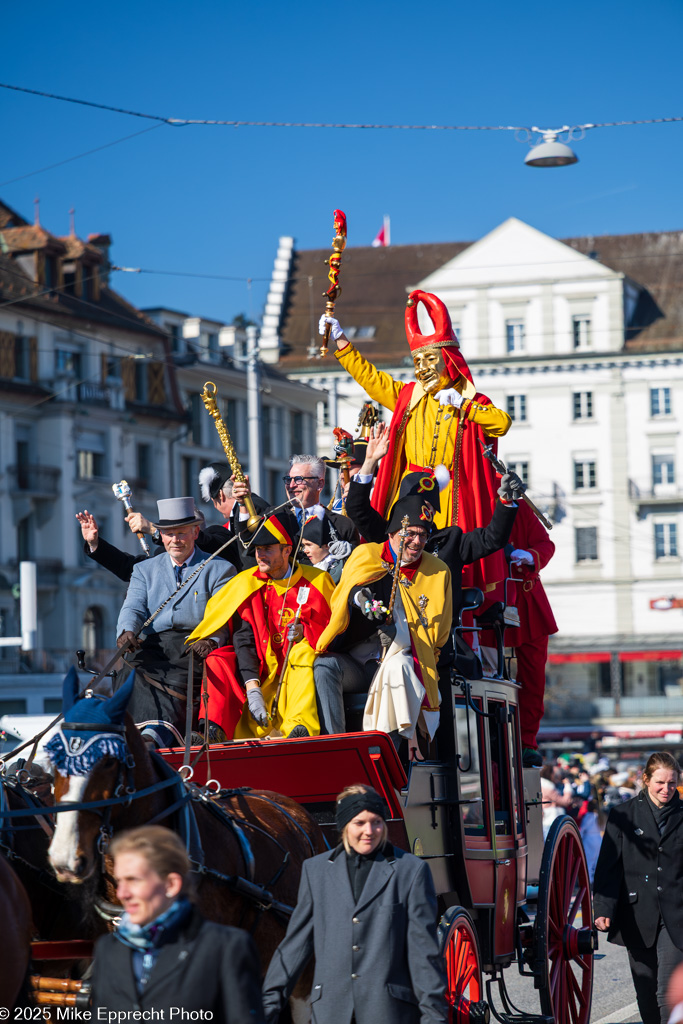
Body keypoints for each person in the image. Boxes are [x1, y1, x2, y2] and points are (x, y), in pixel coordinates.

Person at [320, 290, 511, 604]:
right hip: (409, 493)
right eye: (417, 360)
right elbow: (370, 378)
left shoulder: (472, 401)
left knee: (450, 555)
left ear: (448, 360)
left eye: (430, 358)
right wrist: (341, 340)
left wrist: (465, 407)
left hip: (453, 495)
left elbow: (501, 423)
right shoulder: (408, 396)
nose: (423, 367)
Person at [262, 784, 447, 1024]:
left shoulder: (411, 871)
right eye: (359, 823)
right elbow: (295, 946)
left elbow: (424, 953)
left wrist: (434, 1016)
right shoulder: (315, 871)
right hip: (330, 1012)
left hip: (390, 1012)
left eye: (377, 822)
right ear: (344, 825)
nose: (369, 831)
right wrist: (267, 1005)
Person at [315, 485, 452, 760]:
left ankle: (387, 759)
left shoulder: (438, 571)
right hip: (359, 664)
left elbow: (438, 634)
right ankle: (336, 750)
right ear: (391, 533)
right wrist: (360, 601)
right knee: (324, 665)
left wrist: (403, 630)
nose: (416, 542)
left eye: (422, 535)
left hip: (406, 660)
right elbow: (346, 594)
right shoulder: (367, 555)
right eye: (409, 534)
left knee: (398, 667)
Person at [186, 510, 335, 741]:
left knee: (303, 652)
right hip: (256, 670)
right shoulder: (245, 583)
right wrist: (253, 688)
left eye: (267, 549)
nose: (260, 556)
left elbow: (332, 631)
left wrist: (307, 631)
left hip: (295, 671)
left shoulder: (317, 581)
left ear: (287, 550)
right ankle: (213, 729)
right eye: (257, 550)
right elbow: (243, 640)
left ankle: (301, 727)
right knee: (217, 660)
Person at [91, 825, 265, 1022]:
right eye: (119, 881)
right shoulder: (108, 949)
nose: (122, 893)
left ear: (171, 884)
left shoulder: (226, 947)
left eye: (133, 880)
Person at [115, 496, 235, 745]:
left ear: (195, 532)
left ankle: (160, 734)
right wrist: (127, 631)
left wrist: (211, 640)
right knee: (127, 669)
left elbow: (223, 617)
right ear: (161, 535)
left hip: (194, 646)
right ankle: (128, 735)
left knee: (177, 678)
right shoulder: (144, 570)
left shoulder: (220, 569)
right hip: (155, 643)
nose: (175, 540)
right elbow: (133, 607)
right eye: (169, 534)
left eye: (181, 533)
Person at [593, 751, 683, 1024]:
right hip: (637, 912)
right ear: (645, 780)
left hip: (676, 914)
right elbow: (609, 867)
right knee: (645, 990)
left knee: (667, 991)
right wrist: (603, 908)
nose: (666, 789)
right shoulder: (623, 815)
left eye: (672, 783)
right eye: (660, 782)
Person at [501, 501, 558, 766]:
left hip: (525, 598)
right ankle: (498, 736)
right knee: (489, 672)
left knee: (533, 677)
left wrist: (531, 556)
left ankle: (526, 742)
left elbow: (546, 545)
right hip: (490, 600)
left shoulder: (518, 505)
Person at [301, 511, 346, 584]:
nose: (305, 551)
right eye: (304, 545)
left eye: (309, 545)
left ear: (327, 545)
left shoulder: (343, 567)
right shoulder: (304, 567)